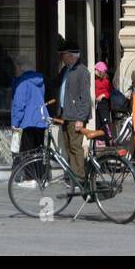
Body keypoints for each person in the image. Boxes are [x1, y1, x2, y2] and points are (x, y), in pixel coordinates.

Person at [54, 41, 92, 180]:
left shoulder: (82, 72)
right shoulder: (66, 70)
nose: (61, 58)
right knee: (68, 146)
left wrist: (81, 119)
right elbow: (55, 83)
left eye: (63, 55)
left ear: (70, 56)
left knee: (76, 147)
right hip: (65, 114)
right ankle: (72, 174)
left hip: (76, 116)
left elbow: (85, 98)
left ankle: (80, 177)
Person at [10, 55, 48, 176]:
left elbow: (19, 105)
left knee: (28, 151)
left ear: (20, 67)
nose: (15, 70)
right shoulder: (40, 81)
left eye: (15, 67)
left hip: (28, 121)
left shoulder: (22, 82)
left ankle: (31, 178)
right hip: (41, 120)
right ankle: (41, 177)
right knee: (39, 151)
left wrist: (15, 123)